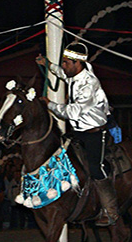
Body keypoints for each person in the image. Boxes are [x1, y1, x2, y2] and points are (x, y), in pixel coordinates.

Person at [36, 42, 119, 226]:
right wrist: (47, 64)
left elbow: (72, 112)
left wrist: (48, 104)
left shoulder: (89, 84)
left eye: (66, 62)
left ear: (77, 63)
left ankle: (111, 211)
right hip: (78, 132)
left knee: (96, 168)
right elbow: (60, 72)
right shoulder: (74, 75)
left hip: (95, 133)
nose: (64, 66)